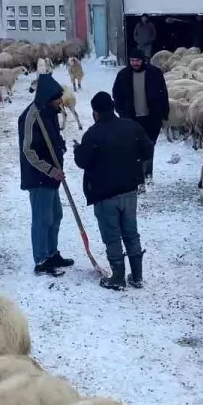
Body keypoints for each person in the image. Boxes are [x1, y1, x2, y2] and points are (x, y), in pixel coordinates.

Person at [73, 91, 152, 290]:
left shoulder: (93, 134)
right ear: (113, 107)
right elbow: (148, 150)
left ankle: (117, 277)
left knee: (112, 235)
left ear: (95, 113)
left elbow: (82, 161)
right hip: (129, 190)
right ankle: (137, 275)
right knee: (131, 232)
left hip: (104, 193)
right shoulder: (131, 126)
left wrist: (77, 150)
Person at [18, 72, 74, 277]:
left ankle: (52, 253)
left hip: (52, 176)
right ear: (48, 97)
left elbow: (52, 139)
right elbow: (28, 150)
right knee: (42, 219)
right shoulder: (31, 116)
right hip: (39, 176)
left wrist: (61, 147)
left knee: (55, 216)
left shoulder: (49, 112)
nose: (61, 101)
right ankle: (41, 259)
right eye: (58, 98)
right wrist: (50, 169)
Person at [111, 48, 169, 187]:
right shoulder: (123, 75)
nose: (135, 63)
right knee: (134, 147)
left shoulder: (154, 74)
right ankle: (138, 176)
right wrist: (121, 111)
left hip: (151, 117)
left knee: (149, 145)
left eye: (137, 60)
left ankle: (148, 173)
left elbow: (163, 94)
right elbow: (116, 94)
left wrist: (163, 113)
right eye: (132, 60)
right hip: (131, 118)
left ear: (143, 60)